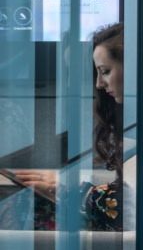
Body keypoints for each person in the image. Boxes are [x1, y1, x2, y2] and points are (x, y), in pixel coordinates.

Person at [6, 22, 124, 231]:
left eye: (104, 71)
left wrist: (63, 190)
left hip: (111, 242)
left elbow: (121, 204)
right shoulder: (127, 119)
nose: (98, 84)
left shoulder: (142, 127)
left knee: (26, 203)